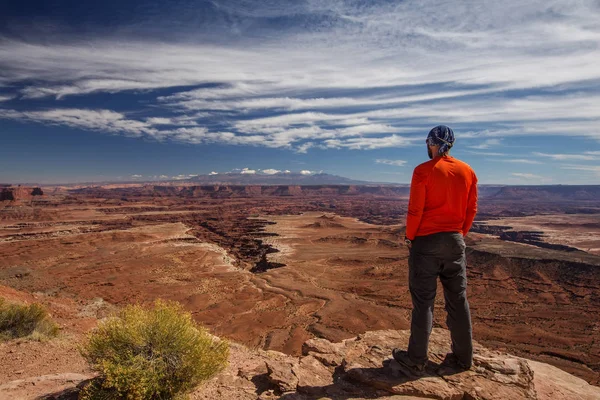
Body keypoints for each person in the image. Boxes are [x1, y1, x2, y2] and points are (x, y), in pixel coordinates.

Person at [392, 125, 478, 376]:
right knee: (458, 301)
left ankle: (416, 359)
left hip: (426, 243)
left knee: (424, 303)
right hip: (455, 241)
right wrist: (459, 235)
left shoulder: (423, 170)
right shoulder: (468, 171)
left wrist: (410, 237)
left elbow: (415, 209)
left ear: (431, 143)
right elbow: (471, 209)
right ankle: (464, 358)